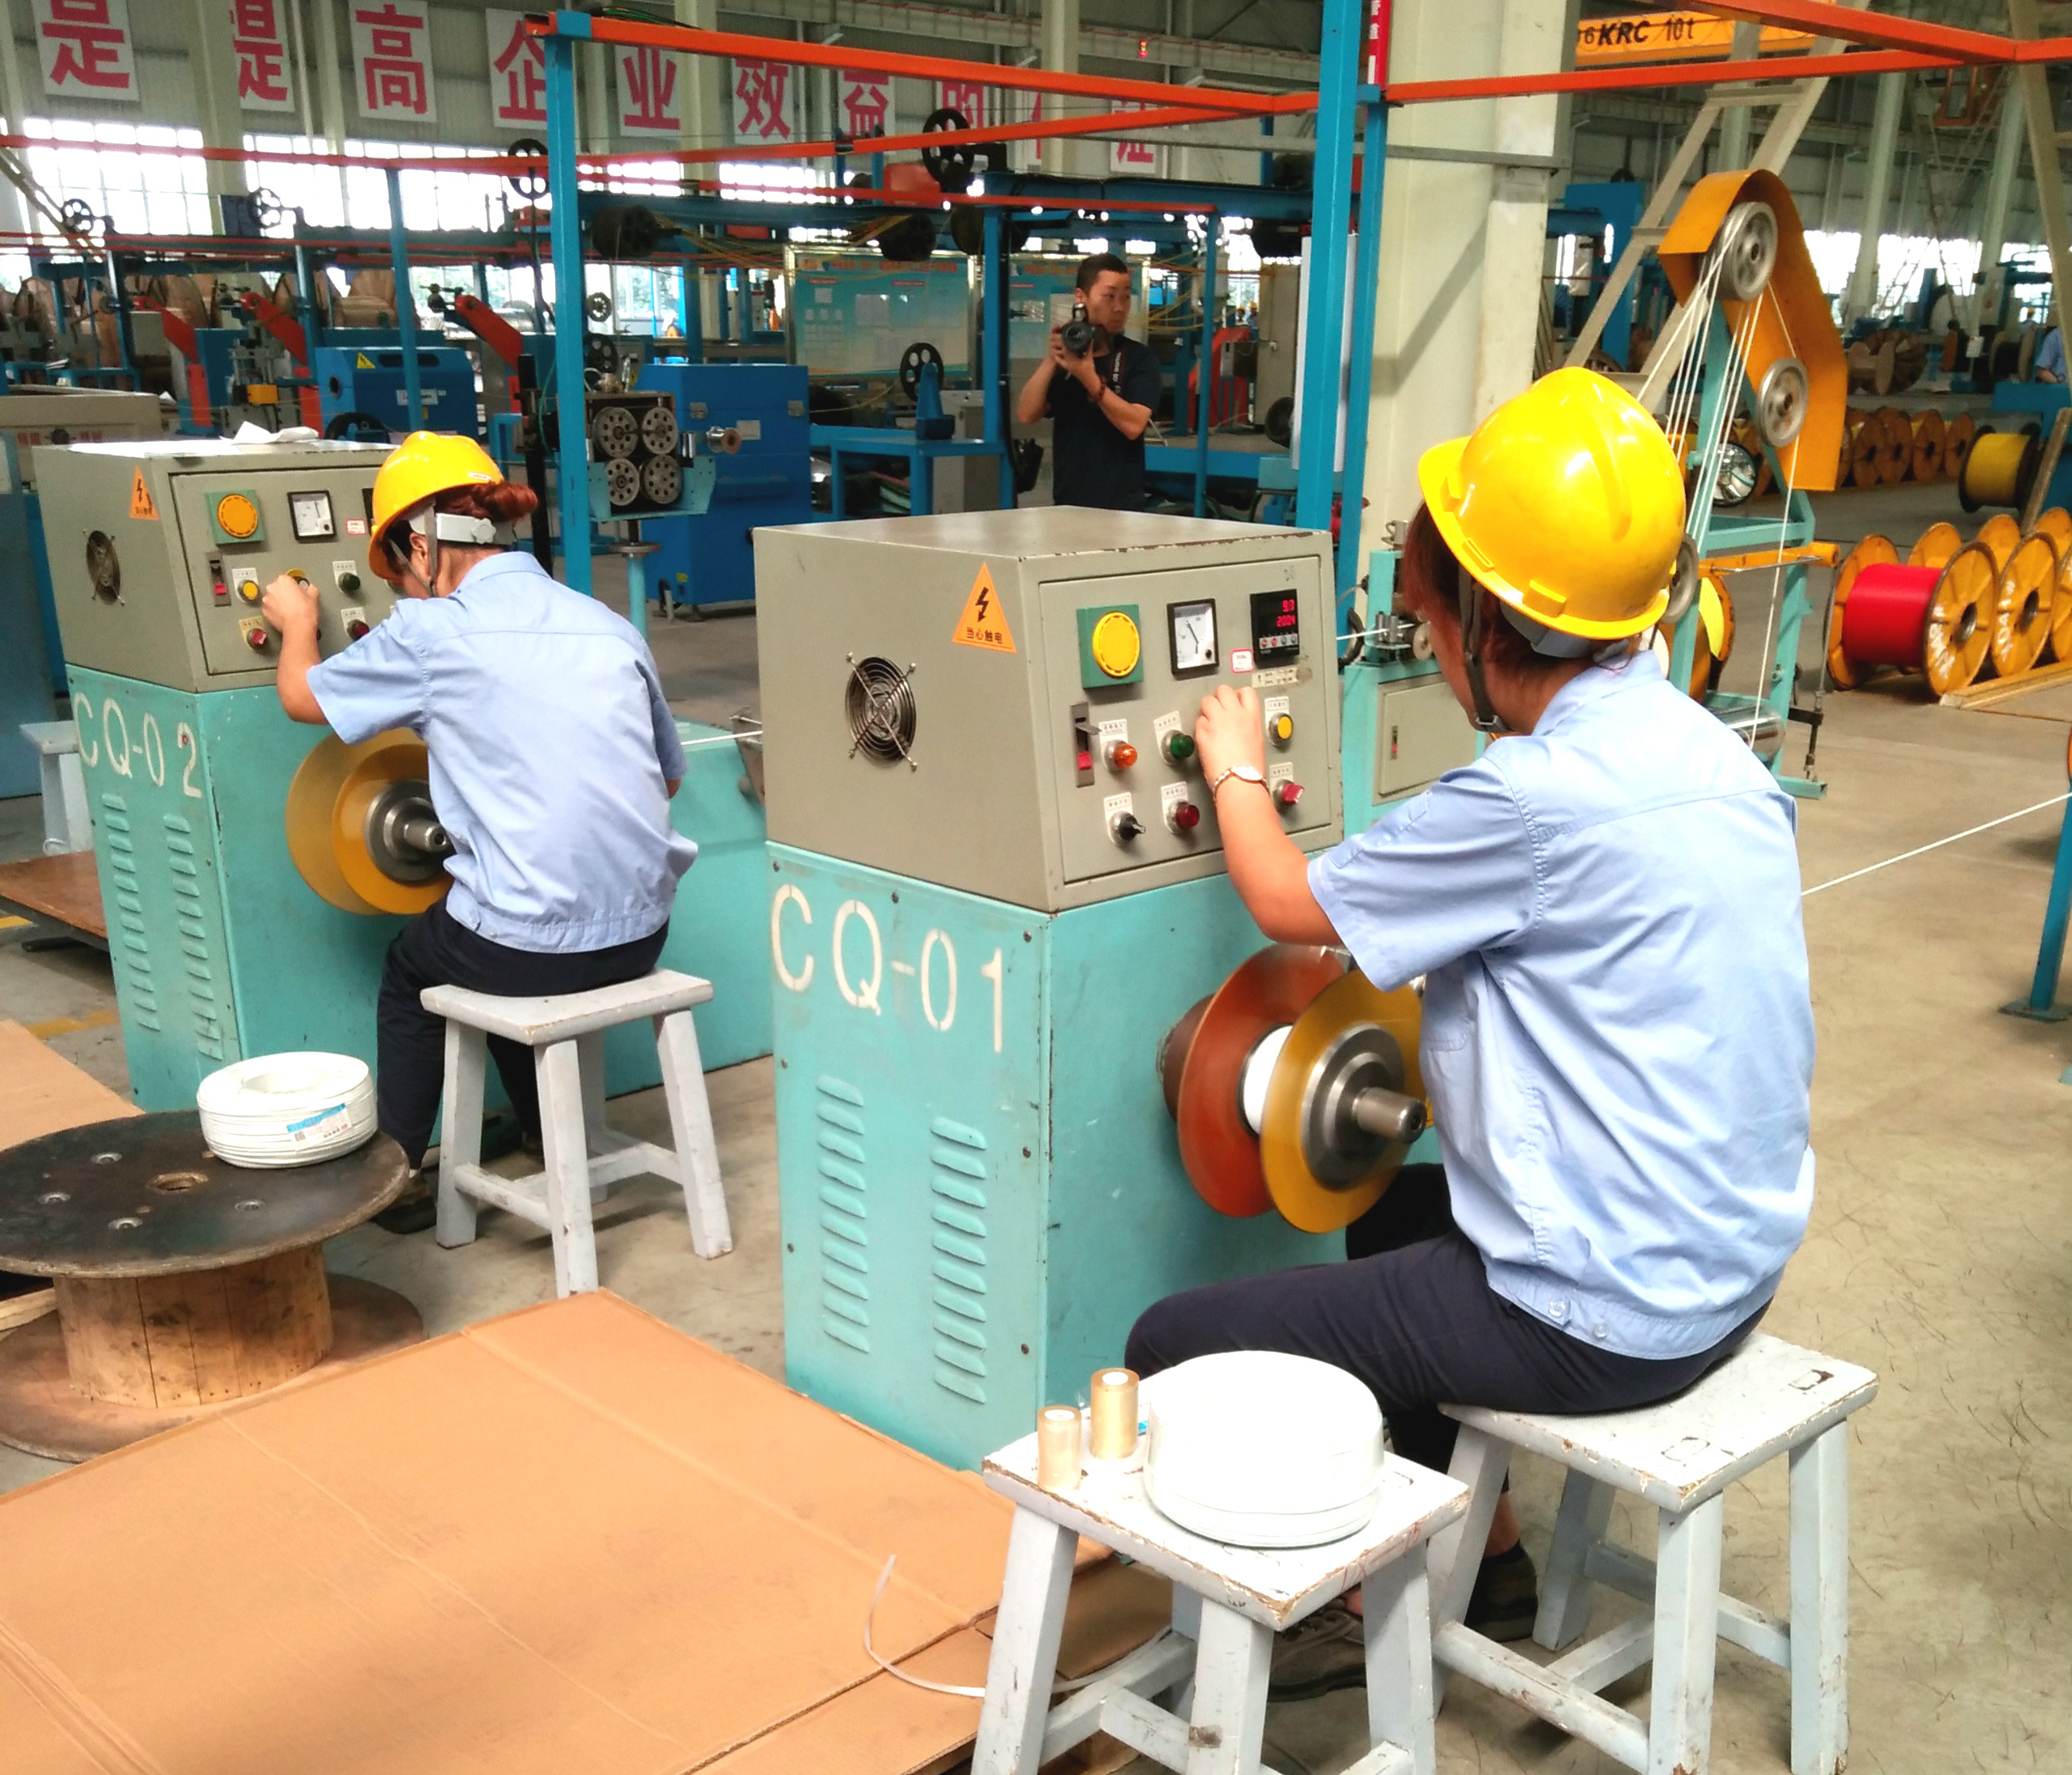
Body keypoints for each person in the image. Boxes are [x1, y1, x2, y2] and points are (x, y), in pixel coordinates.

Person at [1125, 368, 1815, 1697]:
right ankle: (1484, 1553)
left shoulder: (1523, 797)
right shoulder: (1709, 752)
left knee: (1170, 1336)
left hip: (1605, 1316)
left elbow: (1285, 901)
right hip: (1730, 1267)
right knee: (1383, 1215)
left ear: (1487, 621)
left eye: (1428, 618)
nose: (1424, 645)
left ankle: (1344, 1612)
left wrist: (1231, 761)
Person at [260, 432, 694, 1233]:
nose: (405, 593)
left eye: (400, 574)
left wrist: (296, 620)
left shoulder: (430, 633)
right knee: (492, 934)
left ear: (423, 546)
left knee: (420, 967)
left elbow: (300, 697)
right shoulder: (605, 624)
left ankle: (394, 1176)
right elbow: (666, 779)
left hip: (526, 949)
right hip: (641, 935)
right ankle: (541, 1132)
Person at [1014, 252, 1162, 510]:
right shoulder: (1067, 361)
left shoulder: (1140, 358)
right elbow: (1026, 414)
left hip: (1123, 509)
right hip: (1069, 507)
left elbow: (1134, 425)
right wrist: (1052, 360)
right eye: (1109, 296)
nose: (1119, 307)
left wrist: (1088, 377)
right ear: (1081, 297)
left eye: (1126, 297)